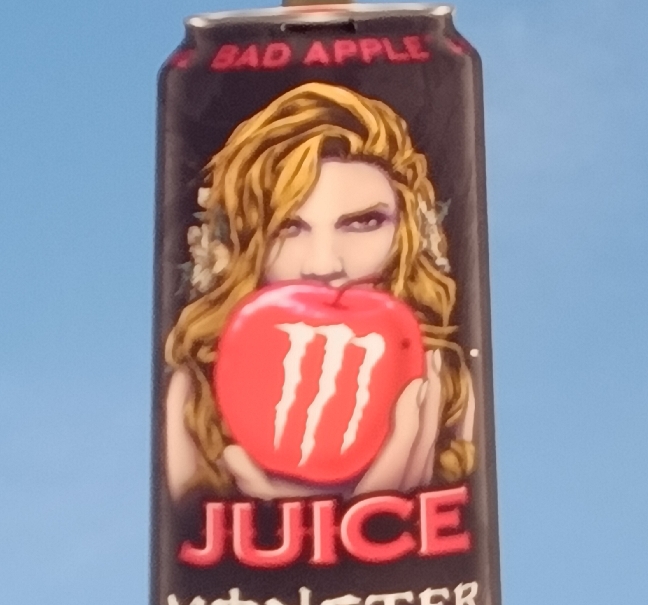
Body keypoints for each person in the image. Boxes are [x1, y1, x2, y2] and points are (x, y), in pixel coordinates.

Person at [165, 82, 475, 501]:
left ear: (407, 230)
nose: (324, 265)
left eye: (363, 223)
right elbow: (184, 520)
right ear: (245, 242)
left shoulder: (449, 385)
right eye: (287, 228)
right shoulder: (194, 395)